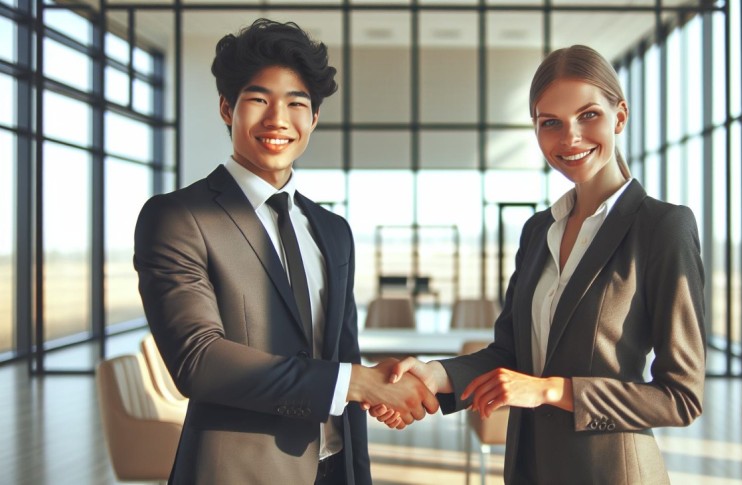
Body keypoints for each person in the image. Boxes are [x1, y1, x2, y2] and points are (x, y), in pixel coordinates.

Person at [375, 45, 705, 484]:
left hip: (611, 472)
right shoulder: (538, 231)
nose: (570, 138)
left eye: (588, 115)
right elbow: (510, 355)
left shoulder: (662, 227)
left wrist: (549, 390)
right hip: (528, 468)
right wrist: (434, 374)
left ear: (620, 116)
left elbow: (681, 397)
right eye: (551, 123)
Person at [134, 18, 437, 485]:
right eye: (259, 100)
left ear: (313, 118)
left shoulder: (332, 230)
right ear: (227, 108)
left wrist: (375, 393)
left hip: (336, 467)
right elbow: (198, 360)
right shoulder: (179, 217)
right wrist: (358, 382)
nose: (278, 119)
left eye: (296, 103)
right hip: (237, 474)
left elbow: (343, 355)